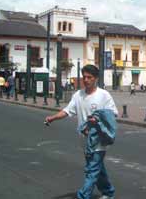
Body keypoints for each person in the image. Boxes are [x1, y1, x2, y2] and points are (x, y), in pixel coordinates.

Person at [45, 64, 118, 199]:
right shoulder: (78, 95)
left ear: (96, 78)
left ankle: (83, 196)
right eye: (84, 77)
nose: (86, 80)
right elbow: (67, 111)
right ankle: (108, 192)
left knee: (92, 170)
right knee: (97, 169)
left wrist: (97, 121)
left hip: (99, 141)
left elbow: (113, 114)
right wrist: (52, 118)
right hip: (85, 141)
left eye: (89, 77)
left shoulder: (104, 95)